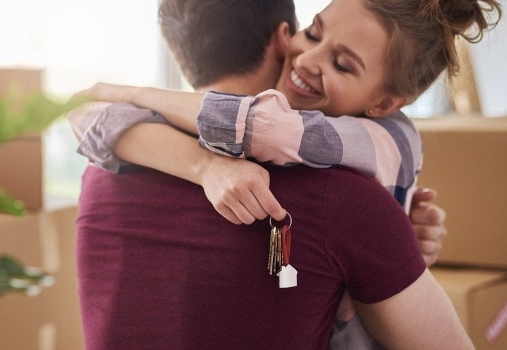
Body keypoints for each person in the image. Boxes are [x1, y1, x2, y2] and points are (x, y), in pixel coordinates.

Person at [73, 0, 500, 348]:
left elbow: (264, 126)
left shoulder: (102, 170)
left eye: (343, 64)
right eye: (313, 33)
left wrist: (125, 96)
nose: (310, 57)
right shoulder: (348, 200)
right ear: (285, 34)